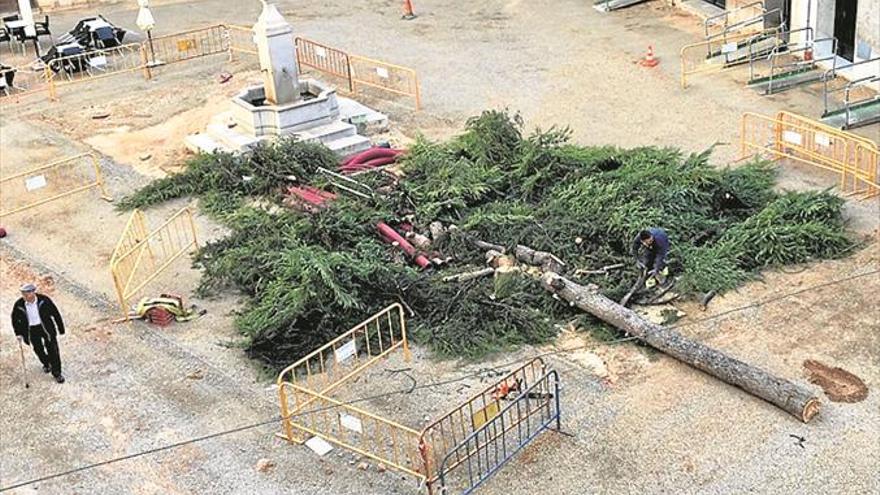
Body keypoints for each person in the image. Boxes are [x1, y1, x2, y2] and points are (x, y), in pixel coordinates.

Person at [11, 283, 66, 383]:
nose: (25, 296)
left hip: (46, 328)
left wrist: (61, 328)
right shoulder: (19, 305)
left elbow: (55, 313)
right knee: (38, 349)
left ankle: (57, 373)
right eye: (23, 294)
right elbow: (15, 319)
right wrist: (18, 333)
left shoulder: (44, 300)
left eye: (27, 293)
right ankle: (46, 363)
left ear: (33, 292)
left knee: (53, 349)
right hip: (31, 330)